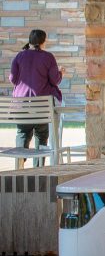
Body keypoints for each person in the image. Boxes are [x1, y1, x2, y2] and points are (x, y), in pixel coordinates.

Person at [8, 29, 63, 166]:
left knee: (22, 132)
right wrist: (61, 73)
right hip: (41, 106)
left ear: (30, 41)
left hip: (21, 106)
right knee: (41, 134)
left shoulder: (19, 56)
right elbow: (54, 80)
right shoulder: (48, 57)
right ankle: (38, 169)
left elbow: (13, 79)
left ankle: (19, 165)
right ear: (43, 42)